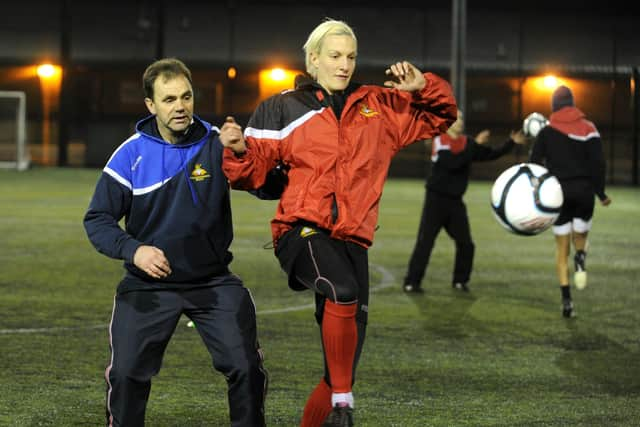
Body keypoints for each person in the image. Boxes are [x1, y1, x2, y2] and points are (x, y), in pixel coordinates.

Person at [219, 18, 457, 427]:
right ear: (313, 59)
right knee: (342, 291)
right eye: (334, 55)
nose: (344, 64)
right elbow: (251, 175)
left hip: (353, 241)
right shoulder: (281, 107)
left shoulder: (380, 106)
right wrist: (239, 150)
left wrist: (423, 86)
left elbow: (441, 117)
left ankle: (335, 397)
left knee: (338, 368)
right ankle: (345, 405)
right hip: (300, 230)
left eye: (350, 56)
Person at [83, 58, 267, 426]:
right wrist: (135, 250)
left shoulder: (217, 143)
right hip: (148, 285)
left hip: (211, 280)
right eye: (168, 99)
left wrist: (243, 153)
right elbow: (98, 220)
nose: (180, 106)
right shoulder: (130, 155)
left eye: (186, 97)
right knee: (126, 374)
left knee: (247, 368)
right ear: (151, 105)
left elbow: (264, 186)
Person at [402, 110, 527, 294]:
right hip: (436, 200)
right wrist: (474, 145)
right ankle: (411, 282)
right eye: (456, 118)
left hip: (455, 203)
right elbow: (451, 162)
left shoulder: (467, 142)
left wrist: (511, 143)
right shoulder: (439, 140)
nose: (460, 122)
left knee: (466, 244)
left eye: (461, 118)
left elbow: (490, 154)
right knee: (425, 242)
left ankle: (460, 281)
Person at [529, 85, 611, 318]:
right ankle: (582, 257)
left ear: (554, 105)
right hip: (585, 192)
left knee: (561, 248)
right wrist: (601, 193)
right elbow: (599, 164)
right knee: (581, 237)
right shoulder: (589, 128)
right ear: (573, 103)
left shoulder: (546, 131)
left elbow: (535, 163)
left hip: (559, 194)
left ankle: (567, 302)